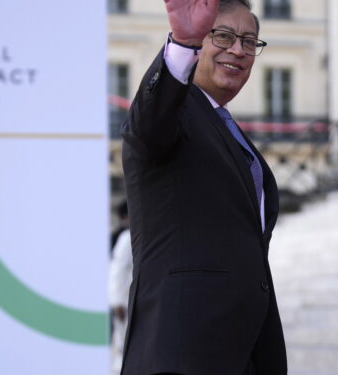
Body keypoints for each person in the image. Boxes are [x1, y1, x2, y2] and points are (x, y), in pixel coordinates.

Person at [120, 0, 287, 374]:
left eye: (249, 41)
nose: (238, 51)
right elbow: (148, 128)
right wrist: (183, 43)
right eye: (223, 36)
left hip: (241, 352)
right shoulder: (174, 112)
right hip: (182, 351)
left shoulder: (227, 129)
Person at [108, 225, 133, 374]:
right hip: (124, 303)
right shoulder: (126, 238)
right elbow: (116, 271)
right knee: (123, 348)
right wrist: (117, 302)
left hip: (137, 301)